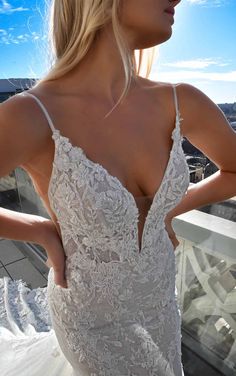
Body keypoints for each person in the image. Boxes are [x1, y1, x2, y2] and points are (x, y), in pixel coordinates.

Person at [0, 0, 236, 375]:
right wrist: (40, 230)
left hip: (161, 304)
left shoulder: (181, 100)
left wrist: (168, 208)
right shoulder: (30, 113)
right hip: (89, 323)